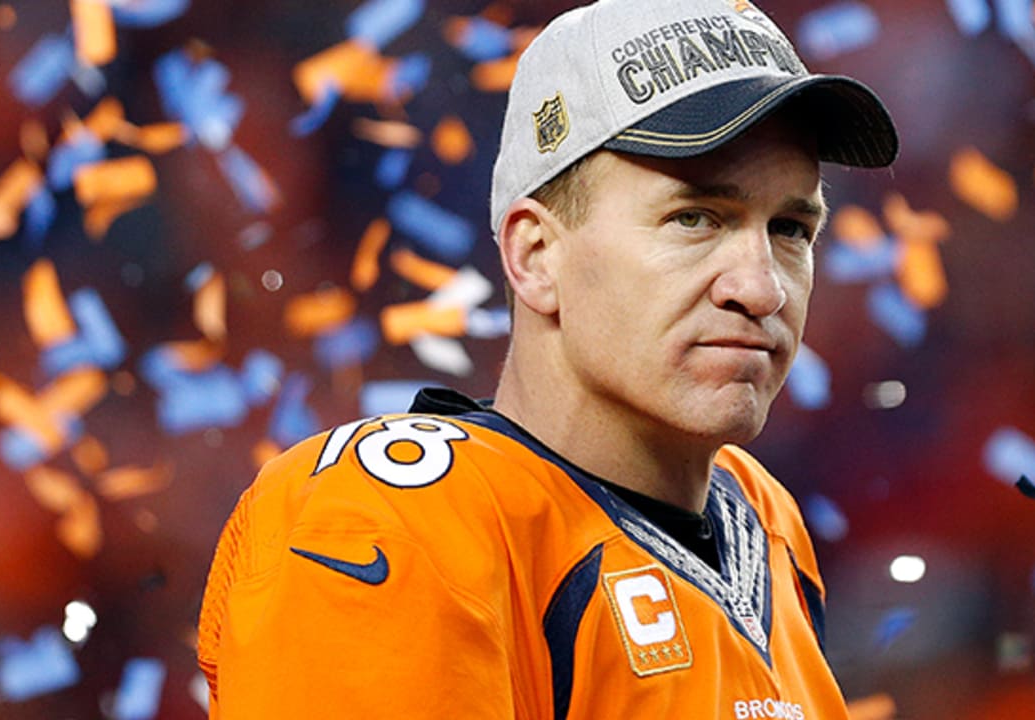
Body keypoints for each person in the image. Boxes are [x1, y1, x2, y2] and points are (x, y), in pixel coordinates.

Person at [197, 0, 898, 717]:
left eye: (789, 228)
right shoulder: (386, 522)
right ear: (535, 256)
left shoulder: (760, 516)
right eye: (694, 218)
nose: (759, 287)